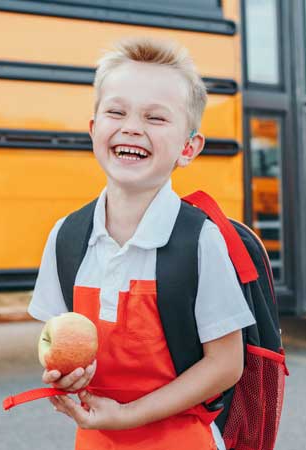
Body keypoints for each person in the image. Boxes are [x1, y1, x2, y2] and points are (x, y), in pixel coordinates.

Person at [27, 37, 255, 450]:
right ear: (95, 129)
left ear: (189, 147)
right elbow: (59, 343)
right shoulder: (66, 237)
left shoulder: (200, 240)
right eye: (117, 111)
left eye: (155, 117)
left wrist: (128, 415)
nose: (132, 126)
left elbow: (226, 365)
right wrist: (67, 376)